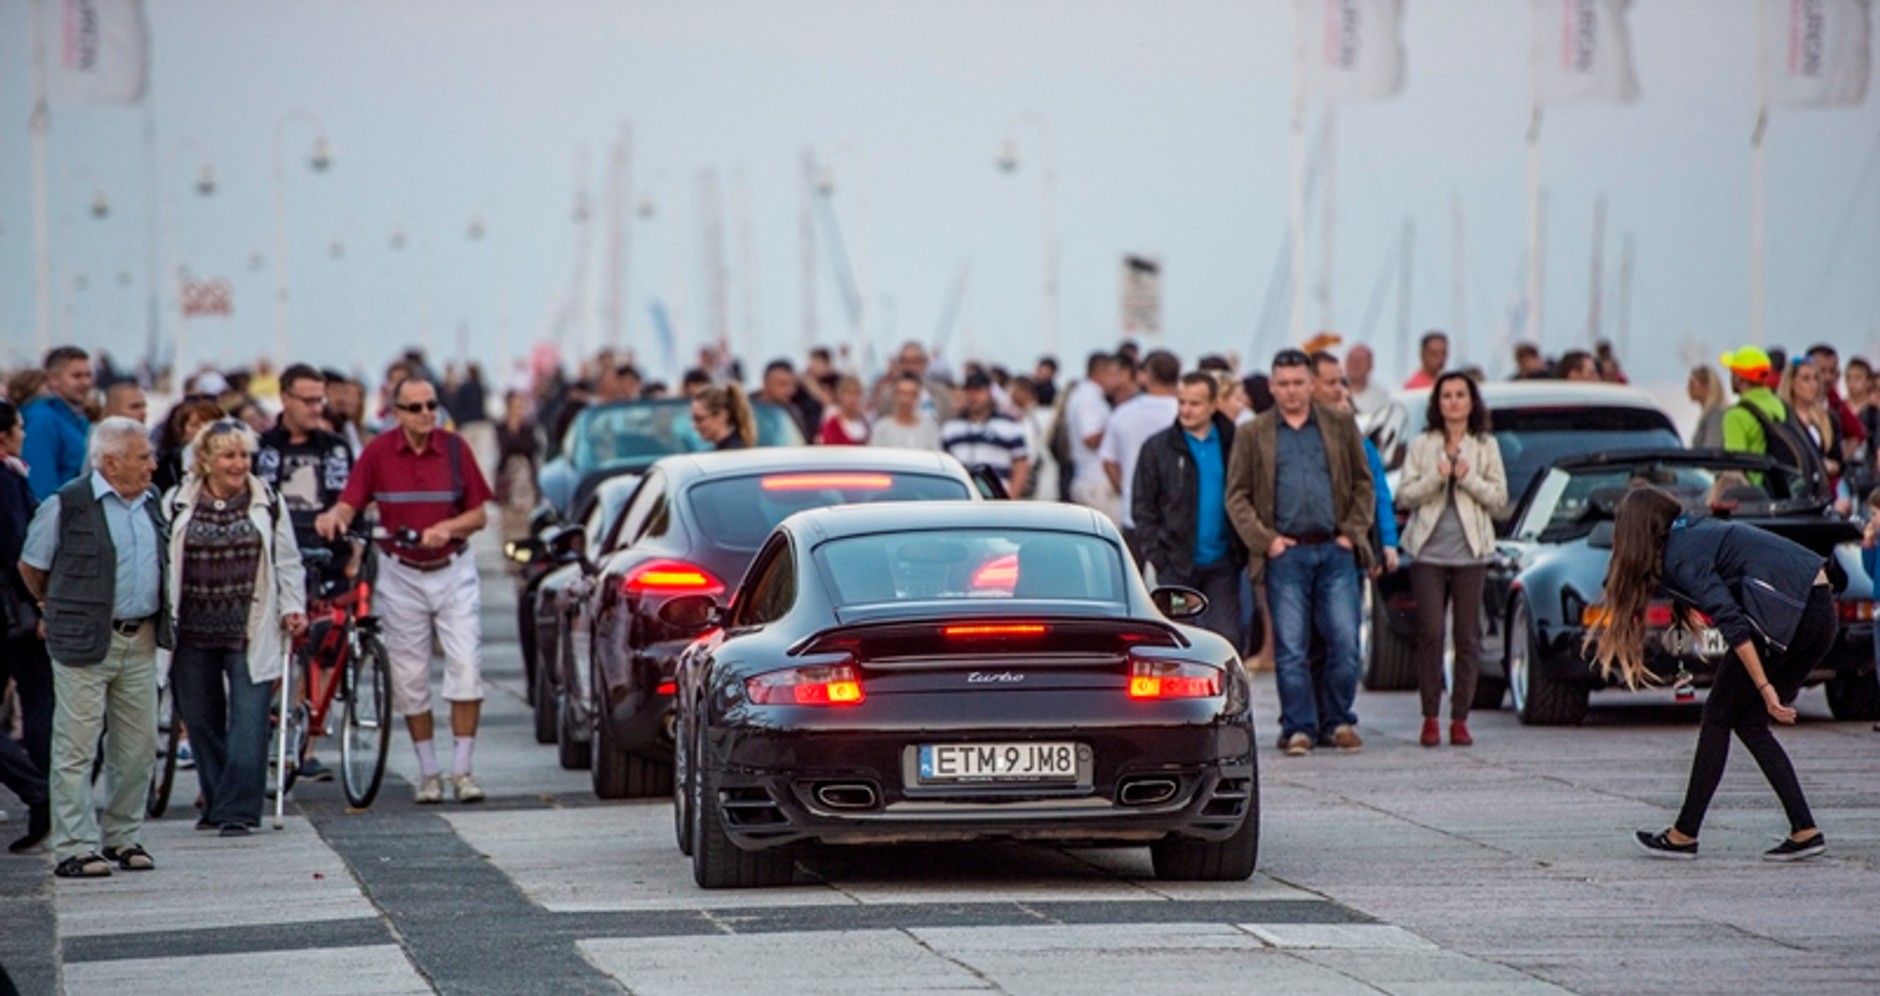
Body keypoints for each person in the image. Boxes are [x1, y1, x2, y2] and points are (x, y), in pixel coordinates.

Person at [1588, 487, 1831, 862]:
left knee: (1717, 716)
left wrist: (1765, 686)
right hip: (1819, 610)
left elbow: (1731, 620)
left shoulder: (1682, 554)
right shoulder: (1692, 531)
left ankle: (1684, 834)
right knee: (1749, 724)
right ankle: (1805, 829)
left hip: (1789, 613)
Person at [315, 378, 493, 805]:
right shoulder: (379, 452)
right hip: (401, 572)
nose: (427, 413)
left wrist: (447, 527)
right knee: (409, 675)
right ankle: (429, 772)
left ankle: (462, 770)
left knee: (466, 666)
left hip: (452, 567)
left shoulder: (455, 449)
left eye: (432, 405)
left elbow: (479, 515)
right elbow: (351, 500)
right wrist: (335, 517)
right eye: (416, 407)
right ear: (396, 412)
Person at [18, 418, 172, 878]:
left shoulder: (151, 501)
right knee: (77, 746)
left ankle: (123, 837)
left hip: (140, 637)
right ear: (111, 462)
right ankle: (75, 846)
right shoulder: (66, 504)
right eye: (143, 457)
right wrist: (53, 605)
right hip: (84, 639)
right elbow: (32, 566)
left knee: (138, 747)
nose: (152, 464)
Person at [1226, 349, 1375, 757]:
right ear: (1272, 387)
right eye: (1284, 384)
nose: (1291, 391)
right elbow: (1237, 495)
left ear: (1311, 384)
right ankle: (1298, 727)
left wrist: (1352, 533)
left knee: (1345, 641)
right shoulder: (1253, 433)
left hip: (1335, 549)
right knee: (1291, 647)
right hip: (1285, 553)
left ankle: (1339, 720)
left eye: (1298, 383)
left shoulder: (1339, 425)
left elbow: (1363, 483)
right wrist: (1267, 541)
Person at [163, 420, 306, 835]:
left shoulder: (268, 501)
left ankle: (239, 809)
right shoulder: (176, 501)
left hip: (250, 626)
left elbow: (288, 561)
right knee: (200, 720)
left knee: (250, 720)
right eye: (228, 455)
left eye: (243, 455)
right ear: (205, 460)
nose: (239, 464)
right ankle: (217, 802)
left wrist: (293, 607)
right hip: (191, 628)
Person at [1395, 374, 1508, 748]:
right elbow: (1406, 495)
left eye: (1461, 395)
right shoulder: (1423, 444)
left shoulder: (1485, 445)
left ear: (1472, 402)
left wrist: (1467, 477)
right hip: (1427, 550)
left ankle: (1460, 719)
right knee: (1430, 632)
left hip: (1471, 552)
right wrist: (1436, 476)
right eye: (1447, 395)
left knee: (1467, 636)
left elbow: (1499, 500)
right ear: (1438, 403)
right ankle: (1430, 717)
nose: (1454, 402)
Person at [254, 364, 354, 781]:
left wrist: (353, 549)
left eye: (320, 400)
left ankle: (306, 746)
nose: (317, 408)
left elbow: (349, 500)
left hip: (327, 559)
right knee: (273, 653)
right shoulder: (262, 447)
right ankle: (263, 731)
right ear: (285, 399)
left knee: (324, 651)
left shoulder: (335, 448)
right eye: (308, 400)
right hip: (274, 561)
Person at [1132, 372, 1245, 647]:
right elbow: (1143, 506)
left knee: (1227, 638)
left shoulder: (1234, 442)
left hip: (1222, 564)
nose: (1186, 410)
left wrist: (1240, 551)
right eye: (1181, 402)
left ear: (1213, 405)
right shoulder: (1158, 447)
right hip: (1176, 565)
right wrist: (1158, 556)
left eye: (1194, 403)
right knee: (1182, 641)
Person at [0, 400, 51, 853]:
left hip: (15, 611)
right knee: (37, 699)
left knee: (37, 701)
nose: (24, 433)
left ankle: (43, 792)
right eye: (18, 427)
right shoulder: (8, 479)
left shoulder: (10, 477)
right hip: (16, 610)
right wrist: (38, 604)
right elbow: (19, 548)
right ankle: (44, 792)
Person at [1102, 351, 1181, 567]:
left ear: (1146, 376)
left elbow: (1108, 460)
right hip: (1177, 515)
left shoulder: (1123, 413)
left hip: (1134, 512)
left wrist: (1125, 488)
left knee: (1133, 577)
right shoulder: (1184, 413)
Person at [22, 346, 96, 502]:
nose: (86, 382)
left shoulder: (78, 419)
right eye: (77, 376)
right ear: (53, 379)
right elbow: (40, 485)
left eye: (89, 375)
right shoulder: (42, 420)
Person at [941, 372, 1030, 496]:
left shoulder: (1010, 427)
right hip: (961, 496)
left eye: (978, 390)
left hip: (997, 496)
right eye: (969, 391)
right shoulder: (951, 428)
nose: (973, 396)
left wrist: (1011, 497)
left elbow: (1021, 465)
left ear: (989, 392)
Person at [1064, 352, 1124, 522]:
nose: (1116, 380)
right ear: (1100, 373)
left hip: (1091, 480)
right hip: (1096, 483)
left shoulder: (1087, 396)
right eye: (1113, 374)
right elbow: (1090, 438)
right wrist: (1117, 425)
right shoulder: (1089, 398)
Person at [1718, 346, 1787, 458]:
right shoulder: (1780, 405)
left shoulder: (1735, 416)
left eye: (1733, 373)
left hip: (1754, 470)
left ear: (1739, 378)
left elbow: (1734, 462)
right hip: (1779, 469)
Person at [494, 391, 541, 543]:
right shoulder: (500, 428)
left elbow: (531, 449)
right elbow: (503, 451)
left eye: (521, 407)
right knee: (508, 526)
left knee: (525, 526)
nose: (519, 411)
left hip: (526, 483)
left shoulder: (529, 429)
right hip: (507, 484)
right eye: (516, 406)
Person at [153, 397, 225, 497]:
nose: (202, 430)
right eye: (195, 425)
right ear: (183, 429)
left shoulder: (234, 459)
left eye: (208, 424)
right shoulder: (167, 464)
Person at [870, 372, 941, 452]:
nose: (906, 400)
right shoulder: (881, 428)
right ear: (894, 396)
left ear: (918, 397)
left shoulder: (930, 428)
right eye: (902, 394)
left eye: (911, 394)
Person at [691, 383, 756, 450]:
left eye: (699, 419)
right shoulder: (732, 447)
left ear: (722, 415)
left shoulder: (734, 451)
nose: (694, 426)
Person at [818, 375, 871, 446]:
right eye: (849, 393)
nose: (853, 398)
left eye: (856, 393)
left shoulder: (864, 423)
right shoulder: (832, 426)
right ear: (840, 396)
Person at [1688, 365, 1728, 450]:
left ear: (1706, 386)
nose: (1688, 389)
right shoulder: (1710, 413)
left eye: (1693, 384)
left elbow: (1712, 447)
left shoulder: (1715, 414)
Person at [1345, 344, 1389, 415]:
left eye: (1360, 361)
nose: (1354, 365)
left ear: (1370, 366)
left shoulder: (1381, 398)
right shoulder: (1333, 391)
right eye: (1351, 360)